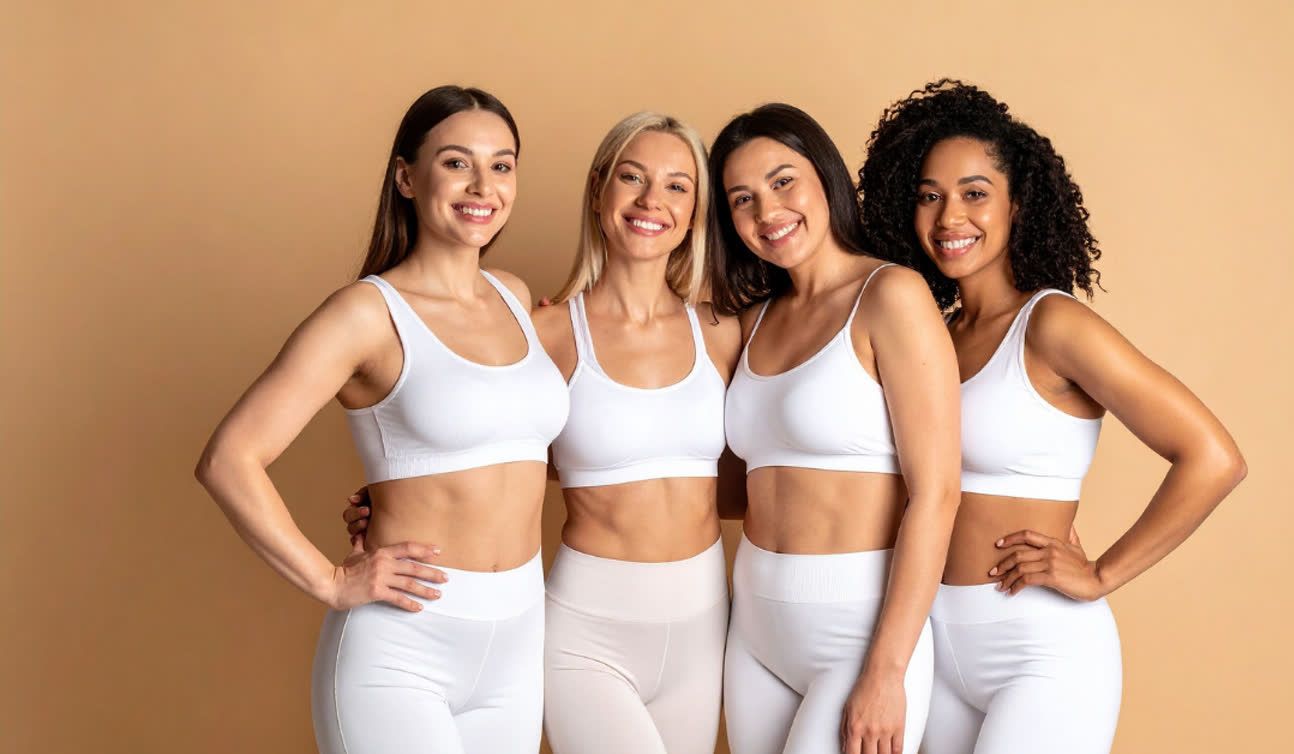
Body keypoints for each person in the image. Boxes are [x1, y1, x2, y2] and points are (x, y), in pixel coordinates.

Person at [858, 78, 1248, 754]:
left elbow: (1213, 457)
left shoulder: (1051, 324)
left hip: (1036, 650)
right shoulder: (931, 334)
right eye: (930, 195)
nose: (950, 217)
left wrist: (1101, 576)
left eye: (975, 194)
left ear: (1019, 204)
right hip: (930, 639)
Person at [345, 112, 744, 754]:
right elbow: (483, 433)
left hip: (705, 620)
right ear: (598, 189)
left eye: (677, 185)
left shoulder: (723, 333)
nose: (652, 201)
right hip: (590, 626)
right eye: (632, 178)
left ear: (697, 211)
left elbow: (754, 477)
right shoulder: (543, 331)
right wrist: (392, 499)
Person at [195, 85, 565, 754]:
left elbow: (501, 446)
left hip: (517, 637)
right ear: (406, 177)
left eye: (502, 165)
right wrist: (330, 580)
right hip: (403, 649)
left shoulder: (514, 297)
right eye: (456, 162)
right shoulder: (366, 314)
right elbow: (229, 459)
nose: (483, 184)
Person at [709, 103, 961, 754]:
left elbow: (937, 493)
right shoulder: (754, 319)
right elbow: (735, 487)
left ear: (825, 177)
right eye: (743, 199)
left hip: (857, 632)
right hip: (756, 627)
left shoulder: (890, 296)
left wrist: (887, 670)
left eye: (783, 180)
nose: (767, 211)